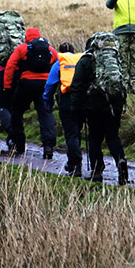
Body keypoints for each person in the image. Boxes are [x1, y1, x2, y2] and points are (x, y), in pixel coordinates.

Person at [68, 32, 130, 185]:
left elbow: (77, 85)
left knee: (95, 138)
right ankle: (121, 162)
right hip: (114, 104)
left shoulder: (86, 60)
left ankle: (97, 171)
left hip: (94, 105)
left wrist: (76, 108)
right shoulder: (116, 59)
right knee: (113, 137)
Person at [3, 27, 58, 158]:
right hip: (45, 85)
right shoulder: (49, 50)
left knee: (17, 111)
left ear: (26, 37)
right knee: (46, 113)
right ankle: (48, 146)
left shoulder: (22, 48)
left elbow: (10, 66)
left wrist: (7, 86)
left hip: (26, 84)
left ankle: (19, 143)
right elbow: (58, 63)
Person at [45, 41, 86, 175]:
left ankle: (76, 165)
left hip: (67, 101)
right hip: (82, 100)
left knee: (71, 133)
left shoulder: (59, 64)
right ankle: (72, 162)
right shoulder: (80, 61)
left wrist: (47, 101)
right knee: (77, 131)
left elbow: (50, 84)